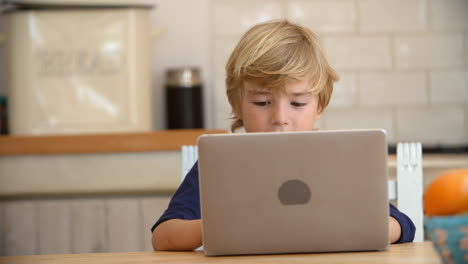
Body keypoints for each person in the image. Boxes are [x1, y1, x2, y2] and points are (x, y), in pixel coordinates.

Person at [151, 20, 415, 251]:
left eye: (297, 104)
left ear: (319, 105)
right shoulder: (220, 165)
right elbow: (164, 237)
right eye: (262, 102)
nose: (280, 117)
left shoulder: (335, 163)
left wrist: (347, 226)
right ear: (236, 103)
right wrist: (227, 226)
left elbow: (402, 225)